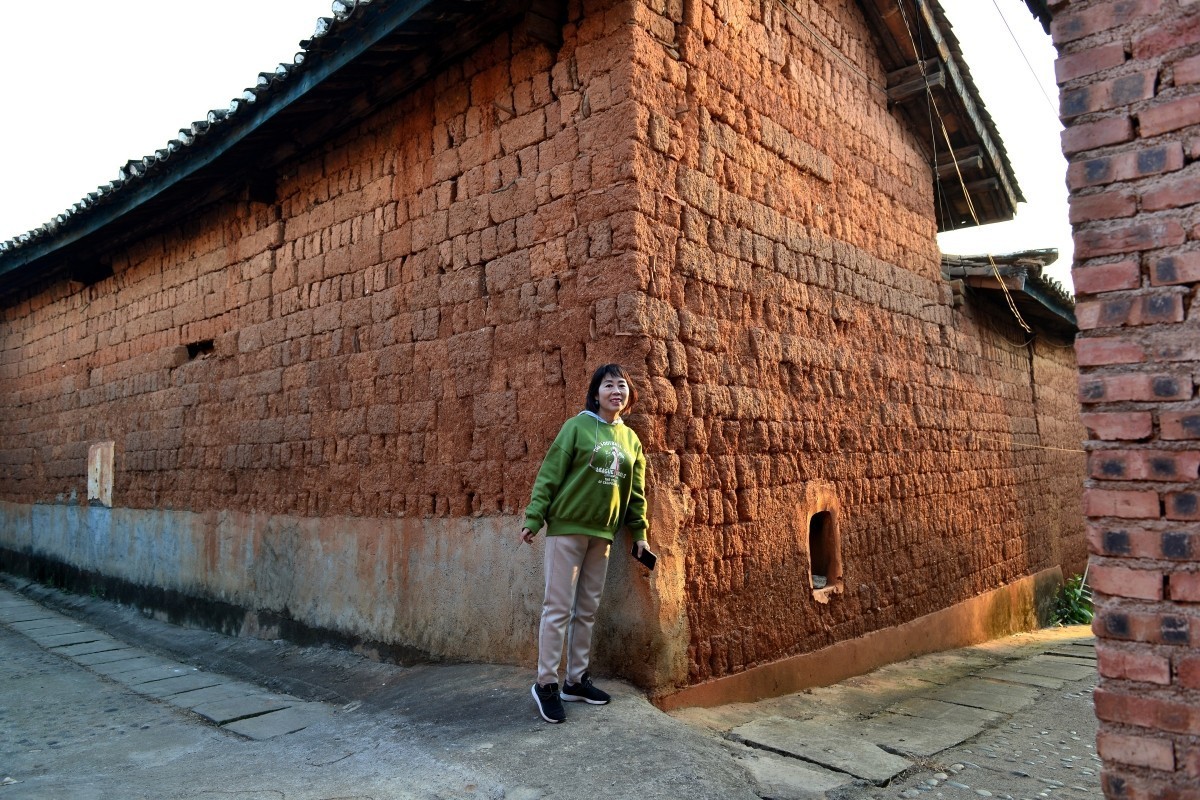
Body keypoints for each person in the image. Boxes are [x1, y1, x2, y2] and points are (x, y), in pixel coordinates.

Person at [519, 363, 650, 724]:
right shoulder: (576, 427)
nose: (616, 391)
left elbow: (636, 494)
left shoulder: (631, 442)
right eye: (609, 385)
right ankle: (546, 683)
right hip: (567, 530)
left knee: (587, 610)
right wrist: (535, 517)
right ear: (596, 394)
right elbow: (550, 473)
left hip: (602, 536)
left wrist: (639, 535)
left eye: (622, 386)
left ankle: (575, 681)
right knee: (557, 607)